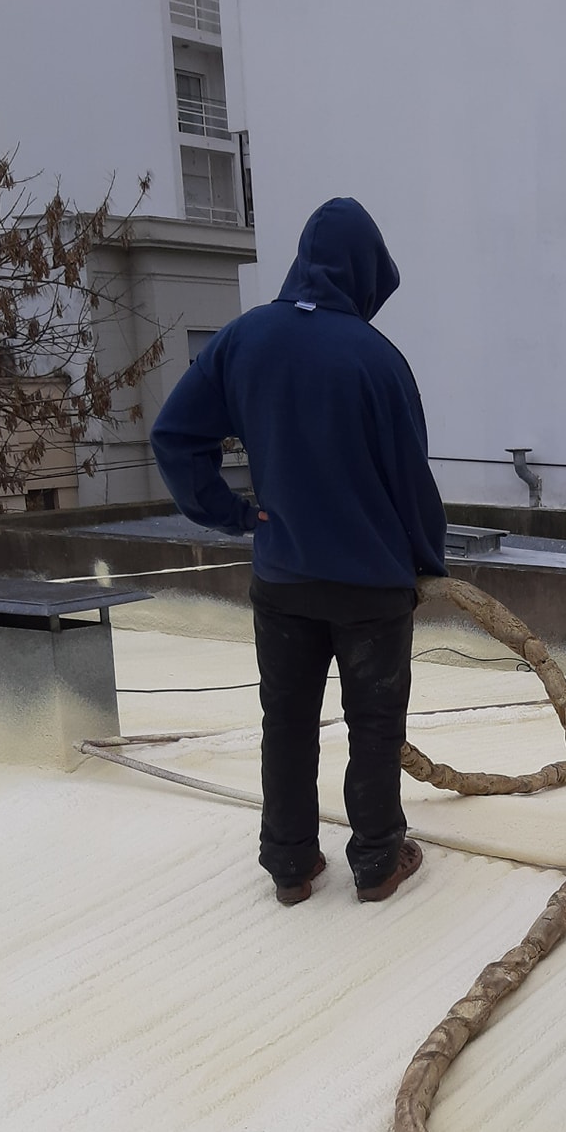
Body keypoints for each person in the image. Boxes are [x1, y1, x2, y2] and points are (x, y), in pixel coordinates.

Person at [151, 197, 445, 906]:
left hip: (282, 577)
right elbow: (411, 480)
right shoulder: (378, 360)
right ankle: (377, 862)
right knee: (373, 726)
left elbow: (175, 436)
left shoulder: (243, 339)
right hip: (370, 585)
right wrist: (427, 561)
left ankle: (290, 865)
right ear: (365, 271)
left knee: (286, 724)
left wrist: (231, 514)